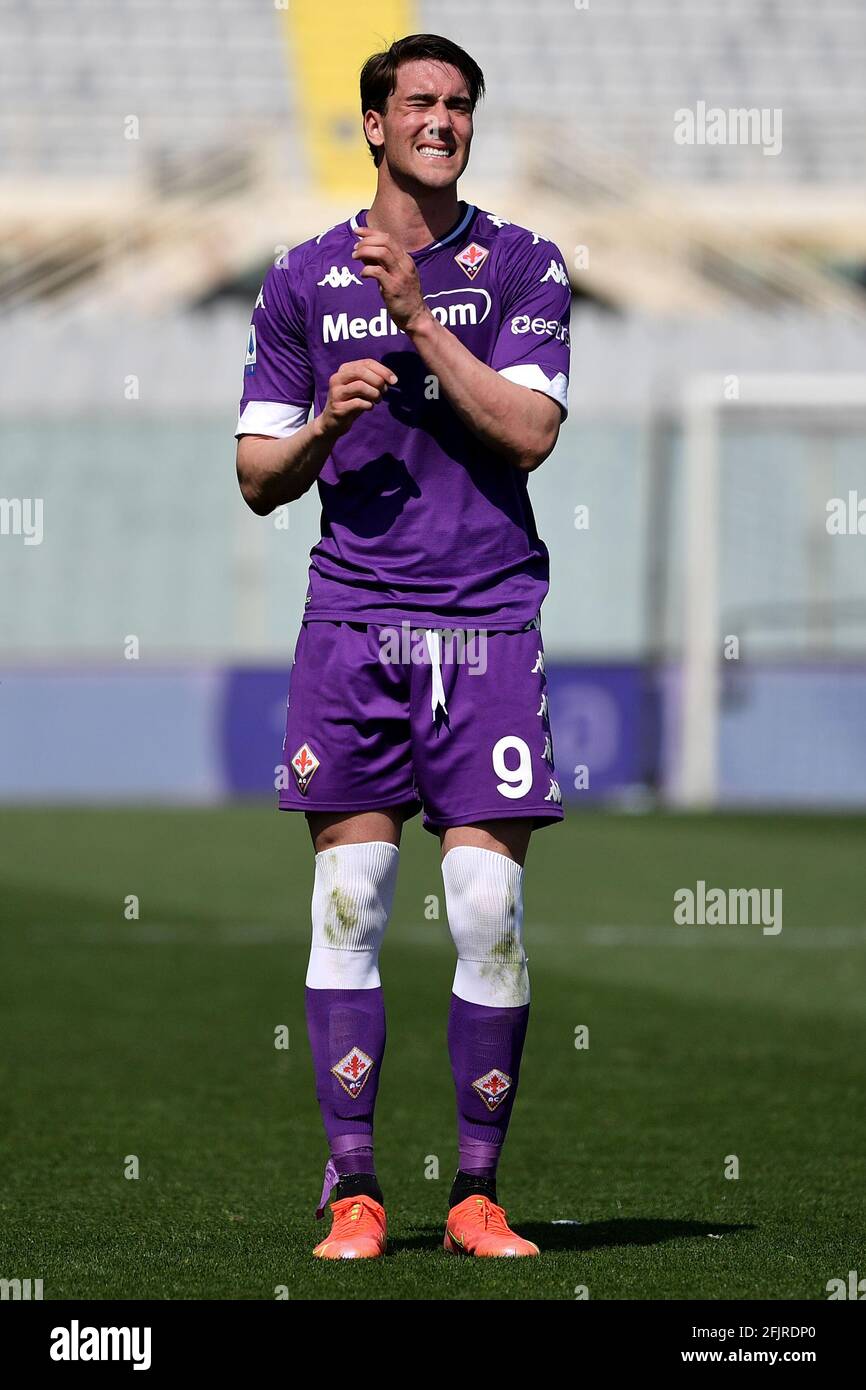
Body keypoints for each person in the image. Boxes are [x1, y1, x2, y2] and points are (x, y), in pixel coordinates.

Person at [235, 32, 570, 1259]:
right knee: (353, 896)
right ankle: (358, 1187)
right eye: (418, 102)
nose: (441, 118)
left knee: (485, 903)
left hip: (485, 622)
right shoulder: (297, 278)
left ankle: (476, 1193)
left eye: (459, 104)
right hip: (352, 624)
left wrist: (420, 322)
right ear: (372, 124)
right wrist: (324, 423)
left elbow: (528, 431)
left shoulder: (523, 263)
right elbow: (255, 475)